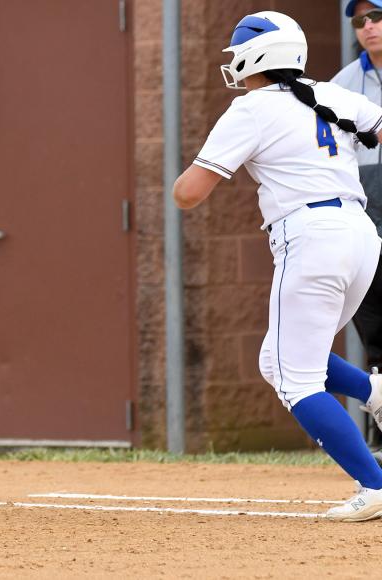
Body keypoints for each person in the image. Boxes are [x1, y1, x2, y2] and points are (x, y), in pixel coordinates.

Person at [173, 11, 382, 521]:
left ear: (258, 55)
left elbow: (187, 195)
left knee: (296, 379)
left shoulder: (251, 109)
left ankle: (375, 486)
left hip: (312, 240)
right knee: (280, 359)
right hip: (360, 234)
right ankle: (377, 392)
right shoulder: (333, 94)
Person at [332, 0, 382, 447]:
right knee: (374, 327)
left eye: (378, 16)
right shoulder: (342, 84)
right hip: (367, 217)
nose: (369, 27)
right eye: (360, 21)